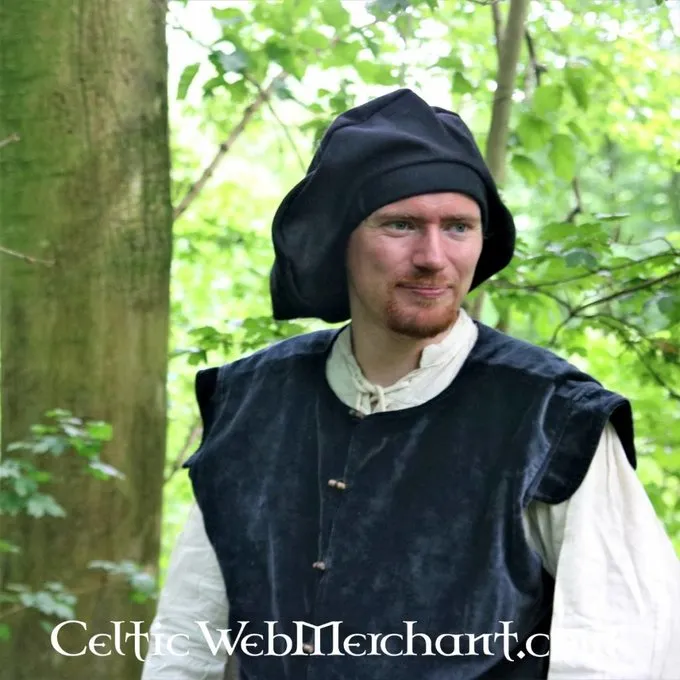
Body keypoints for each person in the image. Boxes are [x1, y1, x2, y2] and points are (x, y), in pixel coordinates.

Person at [141, 89, 680, 680]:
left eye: (458, 227)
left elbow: (622, 649)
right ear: (341, 241)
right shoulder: (252, 404)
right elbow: (186, 641)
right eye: (400, 225)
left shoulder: (554, 419)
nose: (433, 256)